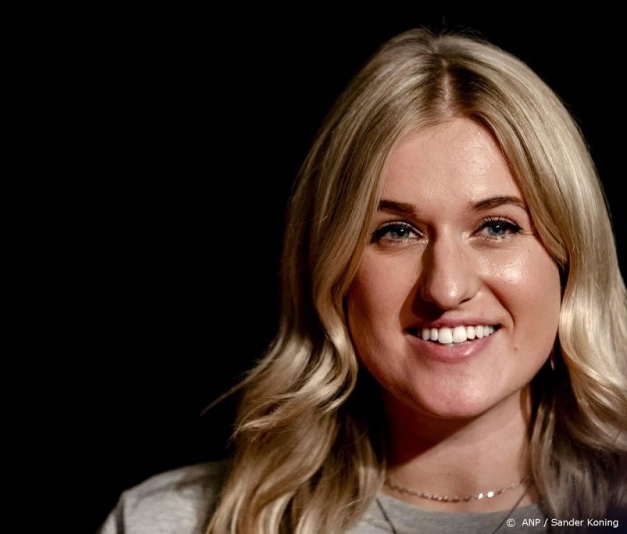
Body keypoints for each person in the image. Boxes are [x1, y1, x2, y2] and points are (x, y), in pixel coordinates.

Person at [99, 27, 627, 533]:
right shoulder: (173, 523)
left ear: (571, 258)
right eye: (396, 231)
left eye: (497, 227)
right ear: (333, 269)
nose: (445, 289)